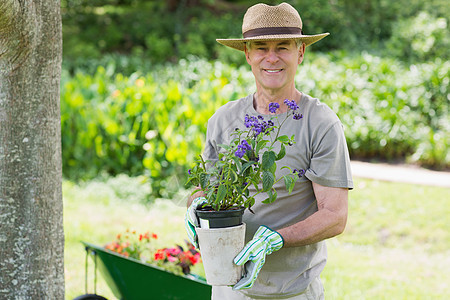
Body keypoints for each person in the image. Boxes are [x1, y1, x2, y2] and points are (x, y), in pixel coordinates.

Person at [186, 2, 353, 299]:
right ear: (248, 54)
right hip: (228, 287)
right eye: (261, 47)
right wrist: (196, 204)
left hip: (292, 291)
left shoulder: (321, 122)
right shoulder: (224, 120)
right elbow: (207, 187)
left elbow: (335, 216)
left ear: (300, 53)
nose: (272, 58)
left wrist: (277, 238)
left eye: (283, 47)